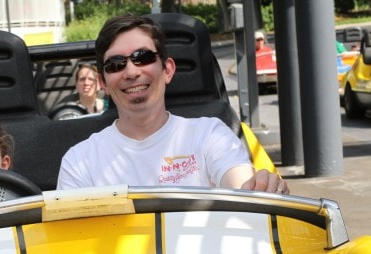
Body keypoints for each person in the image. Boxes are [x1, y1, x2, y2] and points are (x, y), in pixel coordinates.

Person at [57, 15, 288, 194]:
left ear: (167, 70)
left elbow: (241, 187)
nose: (131, 71)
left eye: (143, 57)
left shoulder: (210, 134)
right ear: (103, 82)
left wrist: (260, 187)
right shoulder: (78, 162)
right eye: (116, 64)